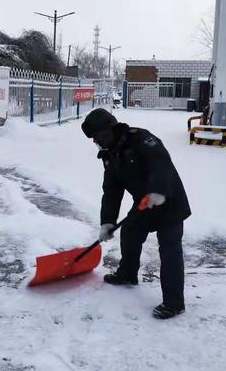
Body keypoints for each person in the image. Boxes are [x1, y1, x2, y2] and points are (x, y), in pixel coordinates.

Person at [81, 108, 191, 319]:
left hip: (168, 200)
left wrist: (158, 191)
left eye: (99, 136)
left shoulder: (142, 138)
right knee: (130, 232)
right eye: (95, 139)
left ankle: (174, 302)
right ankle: (127, 274)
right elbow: (112, 191)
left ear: (110, 129)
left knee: (169, 248)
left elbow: (161, 163)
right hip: (144, 202)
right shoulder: (110, 155)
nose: (98, 142)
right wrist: (107, 222)